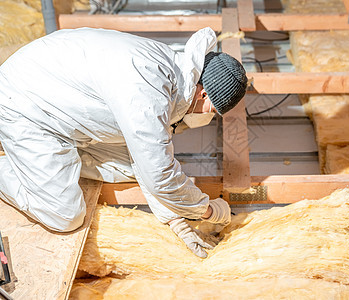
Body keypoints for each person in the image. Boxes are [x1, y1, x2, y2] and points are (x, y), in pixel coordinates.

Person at [0, 27, 247, 258]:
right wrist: (209, 211)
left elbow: (144, 161)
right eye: (212, 110)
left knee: (131, 168)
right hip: (25, 104)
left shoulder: (171, 75)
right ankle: (14, 166)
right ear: (203, 93)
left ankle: (31, 164)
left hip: (55, 98)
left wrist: (176, 220)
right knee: (65, 215)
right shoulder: (150, 86)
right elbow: (159, 175)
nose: (208, 116)